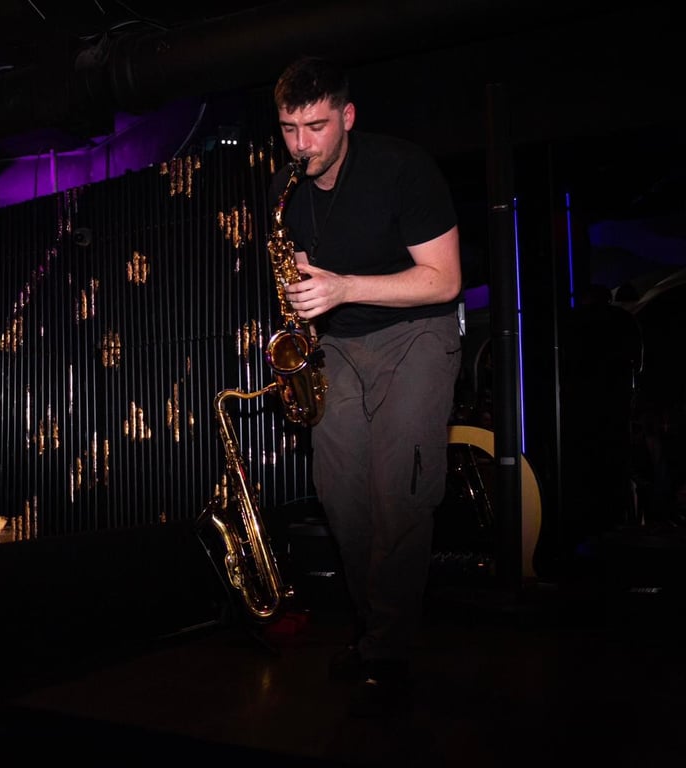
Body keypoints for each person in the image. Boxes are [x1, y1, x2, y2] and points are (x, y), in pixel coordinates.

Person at [272, 56, 463, 716]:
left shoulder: (402, 168)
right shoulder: (286, 190)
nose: (301, 145)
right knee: (342, 495)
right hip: (338, 346)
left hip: (416, 333)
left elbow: (444, 279)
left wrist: (345, 287)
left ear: (347, 117)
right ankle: (374, 625)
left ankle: (387, 648)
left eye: (316, 127)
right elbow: (304, 284)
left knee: (400, 490)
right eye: (289, 129)